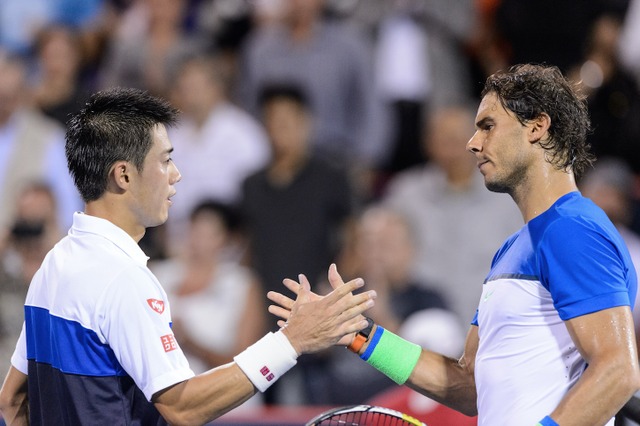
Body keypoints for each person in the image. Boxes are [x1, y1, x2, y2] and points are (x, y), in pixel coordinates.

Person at [269, 64, 640, 425]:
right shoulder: (513, 247)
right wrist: (357, 333)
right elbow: (468, 386)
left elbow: (618, 371)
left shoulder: (572, 230)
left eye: (488, 126)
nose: (472, 143)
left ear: (538, 127)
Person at [0, 87, 377, 425]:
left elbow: (12, 400)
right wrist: (292, 340)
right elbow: (183, 407)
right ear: (124, 176)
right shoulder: (122, 279)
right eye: (165, 161)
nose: (176, 175)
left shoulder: (55, 263)